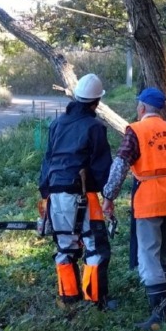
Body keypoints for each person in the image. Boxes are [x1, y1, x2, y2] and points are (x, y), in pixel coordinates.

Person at [102, 87, 166, 331]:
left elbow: (120, 165)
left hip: (149, 201)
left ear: (142, 108)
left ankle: (160, 314)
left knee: (148, 255)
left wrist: (109, 197)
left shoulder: (136, 131)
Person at [38, 73, 116, 310]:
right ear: (96, 102)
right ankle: (95, 299)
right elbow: (102, 166)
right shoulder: (95, 127)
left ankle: (69, 296)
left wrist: (44, 194)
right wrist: (108, 196)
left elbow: (48, 159)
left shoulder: (57, 124)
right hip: (83, 194)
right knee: (94, 247)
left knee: (65, 246)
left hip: (55, 192)